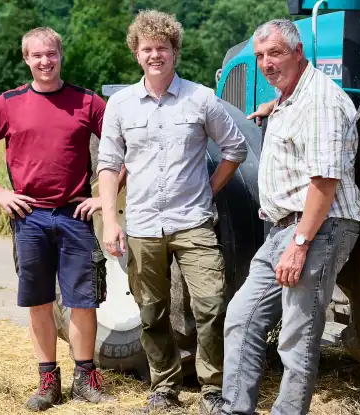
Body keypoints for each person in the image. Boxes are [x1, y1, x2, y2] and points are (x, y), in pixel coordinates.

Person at [0, 26, 122, 412]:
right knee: (40, 301)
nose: (45, 61)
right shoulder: (9, 103)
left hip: (74, 215)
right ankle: (48, 382)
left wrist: (103, 197)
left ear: (60, 55)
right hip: (29, 217)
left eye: (51, 54)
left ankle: (86, 379)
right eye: (37, 56)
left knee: (83, 301)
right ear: (26, 59)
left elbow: (122, 148)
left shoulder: (88, 101)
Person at [96, 9, 248, 415]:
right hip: (143, 224)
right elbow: (109, 166)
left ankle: (212, 388)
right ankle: (164, 386)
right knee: (151, 312)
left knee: (212, 304)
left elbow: (235, 149)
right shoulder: (122, 105)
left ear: (174, 51)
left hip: (194, 221)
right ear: (136, 53)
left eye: (162, 47)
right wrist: (111, 221)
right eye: (147, 48)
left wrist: (208, 190)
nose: (155, 55)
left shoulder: (201, 99)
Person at [220, 19, 360, 415]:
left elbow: (324, 182)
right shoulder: (291, 97)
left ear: (299, 53)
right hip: (284, 229)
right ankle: (235, 408)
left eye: (276, 53)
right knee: (241, 317)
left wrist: (300, 244)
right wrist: (274, 107)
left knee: (297, 336)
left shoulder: (320, 101)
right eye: (261, 56)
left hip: (316, 227)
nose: (266, 63)